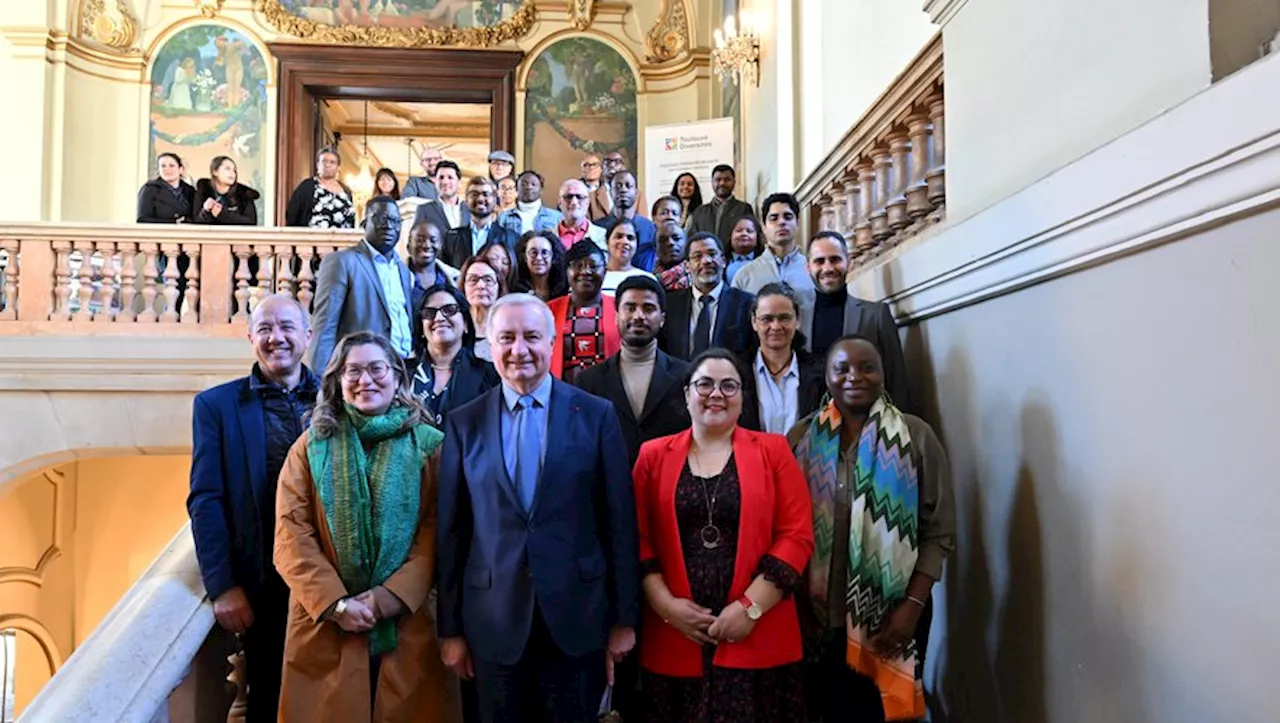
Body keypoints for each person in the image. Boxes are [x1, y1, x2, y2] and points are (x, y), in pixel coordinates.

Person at [437, 293, 639, 723]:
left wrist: (624, 619)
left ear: (552, 342)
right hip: (492, 622)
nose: (519, 349)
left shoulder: (597, 415)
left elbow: (619, 521)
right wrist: (450, 630)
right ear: (489, 347)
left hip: (577, 618)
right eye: (506, 338)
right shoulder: (463, 422)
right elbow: (452, 532)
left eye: (531, 336)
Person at [274, 332, 455, 722]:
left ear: (397, 377)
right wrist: (337, 604)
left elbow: (436, 532)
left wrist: (385, 599)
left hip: (407, 619)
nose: (365, 380)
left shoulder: (430, 446)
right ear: (337, 381)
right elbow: (292, 534)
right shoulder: (310, 447)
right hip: (324, 621)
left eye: (377, 369)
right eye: (353, 371)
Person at [632, 349, 815, 723]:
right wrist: (667, 608)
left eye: (729, 385)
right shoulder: (651, 455)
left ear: (743, 396)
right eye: (704, 384)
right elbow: (637, 538)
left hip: (758, 633)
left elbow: (796, 535)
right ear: (686, 394)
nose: (716, 393)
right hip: (676, 635)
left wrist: (750, 608)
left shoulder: (773, 451)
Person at [788, 335, 955, 723]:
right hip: (815, 615)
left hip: (895, 613)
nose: (854, 376)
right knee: (823, 708)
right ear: (826, 376)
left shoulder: (916, 436)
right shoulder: (799, 439)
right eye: (842, 368)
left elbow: (938, 531)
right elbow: (785, 528)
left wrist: (911, 608)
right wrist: (797, 602)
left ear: (883, 375)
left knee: (881, 713)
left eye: (867, 367)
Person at [188, 294, 318, 723]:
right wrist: (222, 585)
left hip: (335, 584)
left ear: (307, 336)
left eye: (286, 327)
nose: (276, 338)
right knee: (269, 704)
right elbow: (206, 499)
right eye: (264, 329)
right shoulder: (216, 407)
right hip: (263, 588)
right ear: (250, 338)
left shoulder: (339, 400)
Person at [575, 275, 690, 463]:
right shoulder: (589, 381)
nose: (638, 316)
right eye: (630, 308)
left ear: (662, 319)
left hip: (669, 483)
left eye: (648, 308)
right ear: (616, 316)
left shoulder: (686, 376)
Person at [800, 231, 911, 412]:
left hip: (867, 425)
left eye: (835, 259)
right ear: (808, 268)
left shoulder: (876, 316)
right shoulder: (795, 319)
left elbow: (896, 379)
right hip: (813, 426)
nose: (828, 268)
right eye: (819, 261)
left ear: (848, 263)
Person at [307, 196, 413, 373]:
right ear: (364, 223)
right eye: (381, 218)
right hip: (361, 372)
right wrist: (319, 380)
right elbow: (325, 326)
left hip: (401, 370)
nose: (389, 226)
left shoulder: (402, 269)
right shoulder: (342, 262)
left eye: (395, 221)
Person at [738, 283, 824, 434]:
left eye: (784, 318)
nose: (776, 326)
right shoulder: (737, 372)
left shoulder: (820, 372)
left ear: (797, 321)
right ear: (754, 322)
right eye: (767, 319)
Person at [412, 283, 500, 427]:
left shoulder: (489, 375)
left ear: (465, 323)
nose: (439, 318)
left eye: (449, 310)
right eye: (429, 313)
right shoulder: (403, 374)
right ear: (421, 327)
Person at [660, 232, 754, 360]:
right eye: (697, 256)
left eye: (712, 254)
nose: (706, 261)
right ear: (687, 267)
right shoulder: (671, 305)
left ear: (723, 261)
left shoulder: (746, 304)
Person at [547, 241, 621, 382]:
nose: (585, 271)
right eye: (577, 265)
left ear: (605, 271)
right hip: (564, 393)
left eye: (593, 266)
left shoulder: (619, 307)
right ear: (567, 271)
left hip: (609, 393)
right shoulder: (548, 311)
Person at [731, 193, 815, 312]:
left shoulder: (814, 271)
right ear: (764, 227)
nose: (781, 222)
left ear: (797, 223)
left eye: (788, 216)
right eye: (774, 218)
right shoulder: (744, 276)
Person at [442, 177, 518, 268]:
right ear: (466, 200)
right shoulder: (451, 237)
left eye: (486, 194)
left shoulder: (510, 237)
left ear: (494, 200)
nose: (480, 199)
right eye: (474, 195)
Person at [593, 170, 657, 272]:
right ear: (610, 193)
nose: (623, 190)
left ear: (636, 193)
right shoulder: (596, 227)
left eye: (628, 186)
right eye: (618, 186)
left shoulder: (650, 228)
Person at [285, 147, 355, 228]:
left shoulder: (346, 191)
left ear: (338, 167)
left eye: (332, 162)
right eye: (324, 161)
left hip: (342, 238)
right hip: (314, 237)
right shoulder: (307, 186)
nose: (327, 165)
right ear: (318, 165)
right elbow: (292, 214)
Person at [687, 165, 754, 242]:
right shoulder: (699, 212)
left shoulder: (744, 209)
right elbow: (692, 240)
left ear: (734, 182)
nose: (722, 183)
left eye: (727, 179)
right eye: (718, 180)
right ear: (712, 182)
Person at [406, 217, 459, 315]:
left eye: (433, 240)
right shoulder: (395, 278)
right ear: (408, 246)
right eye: (419, 240)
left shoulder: (455, 277)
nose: (426, 245)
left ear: (441, 246)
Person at [458, 255, 506, 362]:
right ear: (463, 286)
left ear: (499, 287)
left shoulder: (508, 328)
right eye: (473, 280)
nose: (480, 285)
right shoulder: (454, 327)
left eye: (488, 280)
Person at [193, 155, 260, 226]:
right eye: (227, 169)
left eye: (234, 170)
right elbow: (196, 222)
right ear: (215, 171)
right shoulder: (203, 191)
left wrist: (222, 214)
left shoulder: (244, 194)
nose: (232, 173)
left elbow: (251, 222)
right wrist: (206, 211)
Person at [498, 170, 563, 236]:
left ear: (541, 190)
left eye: (533, 184)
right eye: (524, 184)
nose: (529, 187)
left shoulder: (557, 217)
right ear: (516, 189)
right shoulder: (504, 217)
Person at [602, 217, 656, 295]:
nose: (624, 241)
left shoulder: (647, 279)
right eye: (619, 236)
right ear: (607, 241)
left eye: (630, 238)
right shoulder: (595, 278)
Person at [590, 151, 649, 221]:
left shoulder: (638, 195)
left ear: (623, 166)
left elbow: (643, 224)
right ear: (602, 168)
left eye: (617, 161)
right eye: (607, 162)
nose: (612, 165)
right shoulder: (591, 197)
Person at [137, 152, 195, 223]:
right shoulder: (149, 189)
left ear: (181, 169)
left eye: (171, 166)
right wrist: (174, 222)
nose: (167, 169)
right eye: (163, 166)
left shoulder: (190, 191)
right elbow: (143, 219)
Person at [512, 230, 568, 301]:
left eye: (544, 253)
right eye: (533, 253)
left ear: (553, 257)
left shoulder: (565, 290)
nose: (539, 258)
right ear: (525, 257)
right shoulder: (515, 292)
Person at [415, 160, 470, 233]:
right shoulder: (424, 210)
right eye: (441, 177)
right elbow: (414, 239)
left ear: (459, 183)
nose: (445, 182)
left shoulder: (470, 209)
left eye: (450, 177)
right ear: (435, 182)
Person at [555, 178, 606, 250]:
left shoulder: (603, 236)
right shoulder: (546, 239)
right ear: (559, 202)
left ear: (588, 202)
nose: (574, 202)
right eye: (568, 197)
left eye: (580, 197)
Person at [724, 215, 764, 285]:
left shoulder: (766, 261)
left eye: (749, 231)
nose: (744, 234)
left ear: (757, 237)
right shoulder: (721, 261)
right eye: (739, 231)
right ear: (730, 236)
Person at [656, 220, 692, 292]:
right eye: (663, 240)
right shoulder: (650, 281)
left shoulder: (697, 278)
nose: (670, 243)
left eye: (677, 238)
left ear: (686, 243)